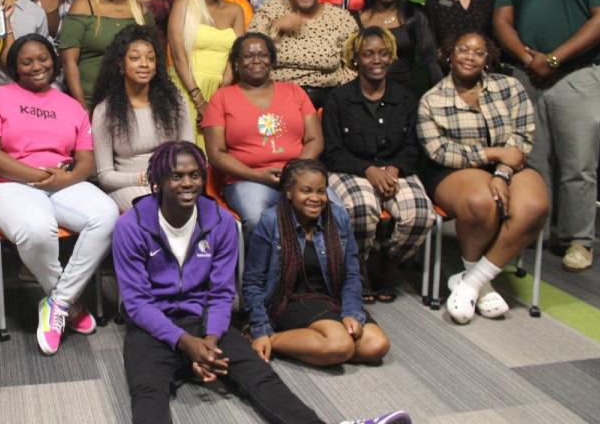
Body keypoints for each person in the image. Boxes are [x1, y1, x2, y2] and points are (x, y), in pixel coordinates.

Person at [113, 143, 409, 424]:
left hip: (204, 319)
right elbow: (137, 303)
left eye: (194, 175)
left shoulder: (221, 222)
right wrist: (184, 343)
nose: (187, 183)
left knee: (261, 377)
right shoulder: (131, 226)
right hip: (153, 325)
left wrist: (211, 340)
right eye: (176, 176)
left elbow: (221, 293)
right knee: (148, 393)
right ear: (158, 181)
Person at [0, 34, 117, 355]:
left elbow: (86, 161)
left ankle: (58, 303)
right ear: (15, 67)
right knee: (38, 230)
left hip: (60, 182)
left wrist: (62, 179)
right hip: (7, 183)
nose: (37, 66)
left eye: (43, 59)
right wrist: (40, 176)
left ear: (53, 61)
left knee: (106, 215)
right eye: (27, 61)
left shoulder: (71, 105)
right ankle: (70, 303)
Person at [493, 0, 600, 272]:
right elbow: (502, 20)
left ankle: (577, 240)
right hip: (528, 76)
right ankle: (534, 230)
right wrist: (528, 58)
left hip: (577, 75)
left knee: (578, 163)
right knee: (533, 162)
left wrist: (553, 59)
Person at [418, 32, 549, 324]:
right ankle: (482, 283)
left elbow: (522, 136)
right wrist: (492, 155)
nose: (470, 57)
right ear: (449, 54)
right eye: (463, 50)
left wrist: (502, 172)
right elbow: (440, 152)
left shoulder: (510, 87)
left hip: (511, 164)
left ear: (487, 59)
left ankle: (472, 282)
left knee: (534, 207)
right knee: (482, 202)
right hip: (454, 170)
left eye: (478, 53)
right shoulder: (432, 100)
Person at [244, 159, 391, 367]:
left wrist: (351, 311)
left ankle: (321, 344)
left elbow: (352, 274)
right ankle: (271, 340)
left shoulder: (338, 217)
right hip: (290, 300)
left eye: (321, 191)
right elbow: (252, 282)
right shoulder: (270, 221)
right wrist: (260, 328)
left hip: (332, 296)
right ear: (288, 192)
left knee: (377, 345)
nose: (315, 198)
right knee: (340, 345)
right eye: (306, 190)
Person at [322, 28, 433, 302]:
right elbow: (333, 152)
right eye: (368, 54)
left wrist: (394, 169)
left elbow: (412, 145)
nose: (377, 60)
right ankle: (359, 266)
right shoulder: (339, 98)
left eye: (383, 53)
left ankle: (387, 262)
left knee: (420, 214)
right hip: (351, 168)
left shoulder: (406, 97)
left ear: (391, 57)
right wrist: (369, 171)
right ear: (356, 59)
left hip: (395, 169)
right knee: (361, 209)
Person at [202, 32, 322, 239]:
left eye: (263, 55)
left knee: (336, 211)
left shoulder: (294, 91)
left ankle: (319, 269)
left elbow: (315, 139)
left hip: (298, 176)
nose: (256, 60)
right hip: (246, 180)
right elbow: (216, 153)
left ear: (272, 60)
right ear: (237, 63)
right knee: (258, 218)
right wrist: (256, 175)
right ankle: (263, 272)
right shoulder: (221, 98)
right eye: (248, 56)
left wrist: (294, 173)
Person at [91, 25, 193, 211]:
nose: (144, 64)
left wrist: (171, 179)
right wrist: (145, 178)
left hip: (172, 182)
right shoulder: (105, 111)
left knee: (223, 220)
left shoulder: (175, 101)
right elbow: (105, 177)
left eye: (151, 58)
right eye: (135, 58)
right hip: (127, 186)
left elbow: (189, 154)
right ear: (121, 65)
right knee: (158, 212)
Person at [248, 0, 358, 109]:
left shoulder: (340, 18)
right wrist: (276, 27)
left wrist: (338, 99)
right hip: (275, 97)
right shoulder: (271, 10)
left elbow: (353, 65)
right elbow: (249, 51)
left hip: (327, 100)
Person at [60, 0, 154, 109]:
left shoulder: (139, 10)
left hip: (132, 104)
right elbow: (69, 62)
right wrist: (82, 107)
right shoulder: (83, 7)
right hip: (91, 102)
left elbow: (154, 59)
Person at [168, 0, 244, 143]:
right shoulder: (183, 5)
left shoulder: (235, 10)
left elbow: (237, 55)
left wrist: (218, 98)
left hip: (222, 89)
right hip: (186, 86)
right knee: (186, 149)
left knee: (217, 150)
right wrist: (199, 100)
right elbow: (178, 55)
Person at [358, 0, 443, 89]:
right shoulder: (355, 17)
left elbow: (430, 60)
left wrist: (441, 94)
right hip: (362, 93)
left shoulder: (415, 14)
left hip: (404, 94)